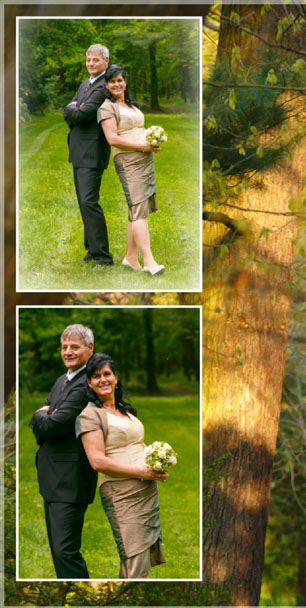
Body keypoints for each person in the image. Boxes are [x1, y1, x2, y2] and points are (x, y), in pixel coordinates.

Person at [76, 353, 167, 578]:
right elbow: (97, 461)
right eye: (96, 376)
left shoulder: (125, 411)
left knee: (142, 560)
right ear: (89, 383)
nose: (102, 380)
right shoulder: (89, 416)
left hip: (146, 490)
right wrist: (142, 472)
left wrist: (157, 461)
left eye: (107, 374)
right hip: (120, 493)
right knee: (133, 557)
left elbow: (137, 443)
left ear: (116, 378)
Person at [28, 324, 99, 578]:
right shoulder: (63, 379)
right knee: (58, 550)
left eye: (74, 347)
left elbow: (55, 424)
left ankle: (81, 597)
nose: (68, 352)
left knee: (65, 551)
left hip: (70, 479)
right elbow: (45, 416)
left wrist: (45, 416)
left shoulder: (86, 384)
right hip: (52, 478)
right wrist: (45, 417)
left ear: (89, 349)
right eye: (64, 347)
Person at [97, 64, 164, 275]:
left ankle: (131, 257)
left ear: (125, 82)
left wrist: (153, 141)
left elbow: (139, 129)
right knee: (138, 210)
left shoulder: (131, 106)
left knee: (137, 208)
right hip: (128, 161)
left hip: (145, 159)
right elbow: (112, 138)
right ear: (107, 85)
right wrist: (143, 146)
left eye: (120, 80)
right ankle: (150, 262)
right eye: (112, 81)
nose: (117, 84)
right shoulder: (106, 108)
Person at [63, 43, 112, 268]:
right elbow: (68, 113)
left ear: (106, 62)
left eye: (96, 60)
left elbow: (81, 113)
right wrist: (74, 109)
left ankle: (103, 256)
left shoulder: (104, 86)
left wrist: (75, 108)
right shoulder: (85, 84)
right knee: (83, 203)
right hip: (78, 150)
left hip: (92, 152)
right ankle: (92, 250)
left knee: (89, 201)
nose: (91, 63)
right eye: (88, 59)